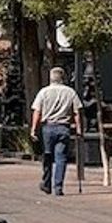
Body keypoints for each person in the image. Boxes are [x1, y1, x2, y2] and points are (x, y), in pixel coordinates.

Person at [30, 65, 83, 196]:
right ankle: (58, 186)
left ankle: (46, 183)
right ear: (63, 78)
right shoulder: (70, 92)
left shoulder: (43, 92)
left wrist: (33, 129)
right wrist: (79, 129)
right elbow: (77, 112)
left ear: (50, 78)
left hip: (48, 128)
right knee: (61, 158)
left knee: (47, 156)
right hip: (63, 128)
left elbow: (37, 111)